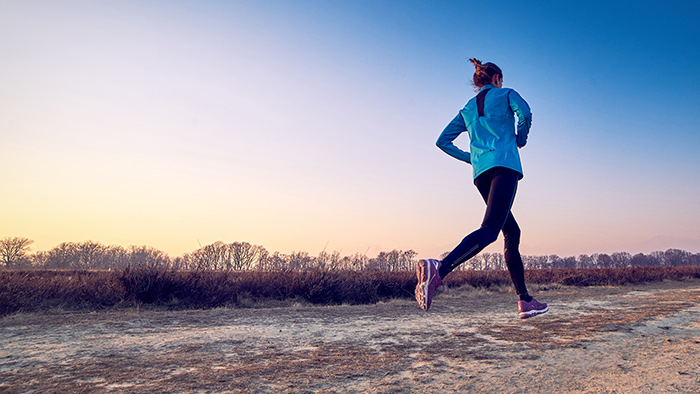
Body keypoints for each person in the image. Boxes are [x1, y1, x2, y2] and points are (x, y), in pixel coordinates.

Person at [415, 58, 548, 319]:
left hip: (481, 174)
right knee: (490, 230)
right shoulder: (507, 94)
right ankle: (439, 269)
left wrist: (472, 158)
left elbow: (443, 141)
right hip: (505, 166)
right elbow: (526, 113)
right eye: (501, 79)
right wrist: (520, 138)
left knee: (511, 230)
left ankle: (525, 300)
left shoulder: (467, 108)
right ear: (496, 78)